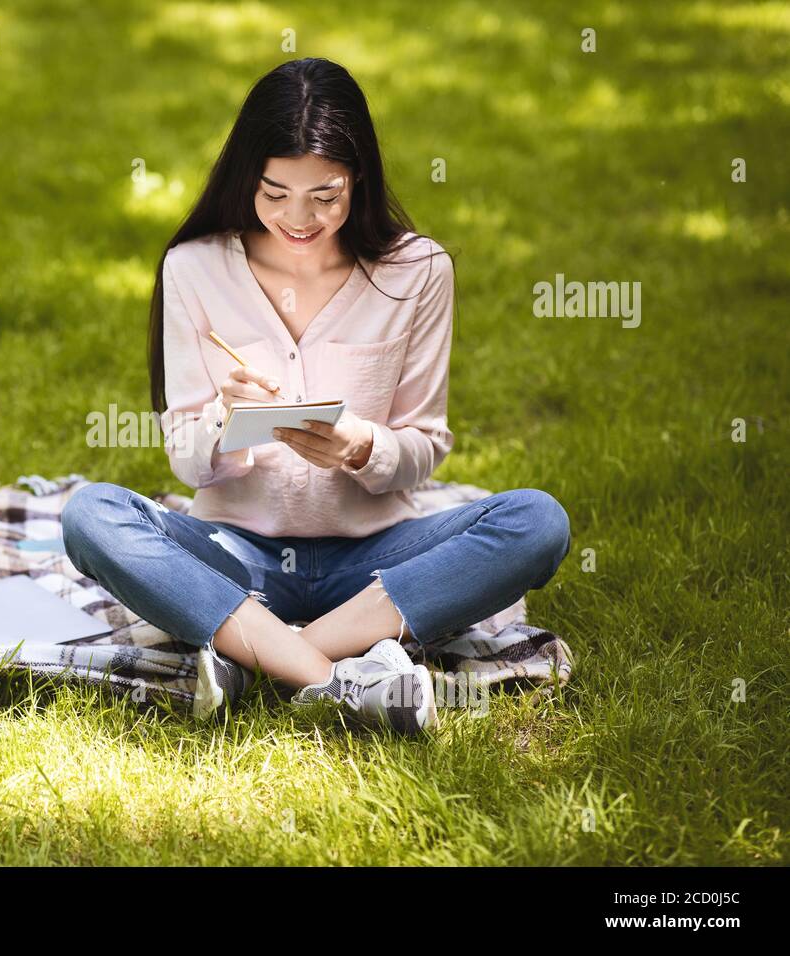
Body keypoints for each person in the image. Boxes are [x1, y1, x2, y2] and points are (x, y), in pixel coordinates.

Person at [63, 58, 570, 736]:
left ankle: (264, 655)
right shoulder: (195, 268)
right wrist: (231, 424)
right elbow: (185, 461)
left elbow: (425, 445)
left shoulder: (418, 272)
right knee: (90, 514)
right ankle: (339, 675)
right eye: (274, 194)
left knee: (537, 522)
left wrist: (362, 444)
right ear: (247, 179)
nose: (297, 220)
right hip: (234, 554)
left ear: (358, 182)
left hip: (377, 561)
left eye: (324, 197)